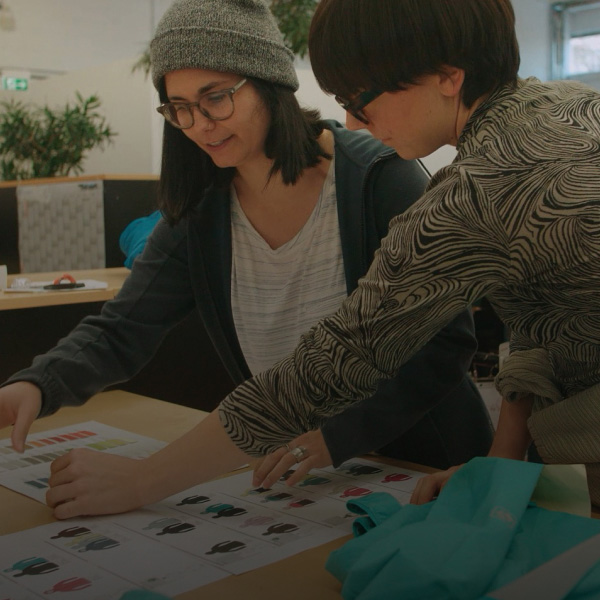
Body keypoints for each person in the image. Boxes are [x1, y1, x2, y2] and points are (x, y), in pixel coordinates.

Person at [0, 0, 492, 516]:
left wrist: (331, 437)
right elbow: (123, 328)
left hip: (420, 471)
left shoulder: (377, 180)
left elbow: (444, 344)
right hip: (292, 481)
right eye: (179, 108)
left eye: (216, 98)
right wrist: (39, 383)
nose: (200, 124)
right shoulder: (201, 210)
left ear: (269, 83)